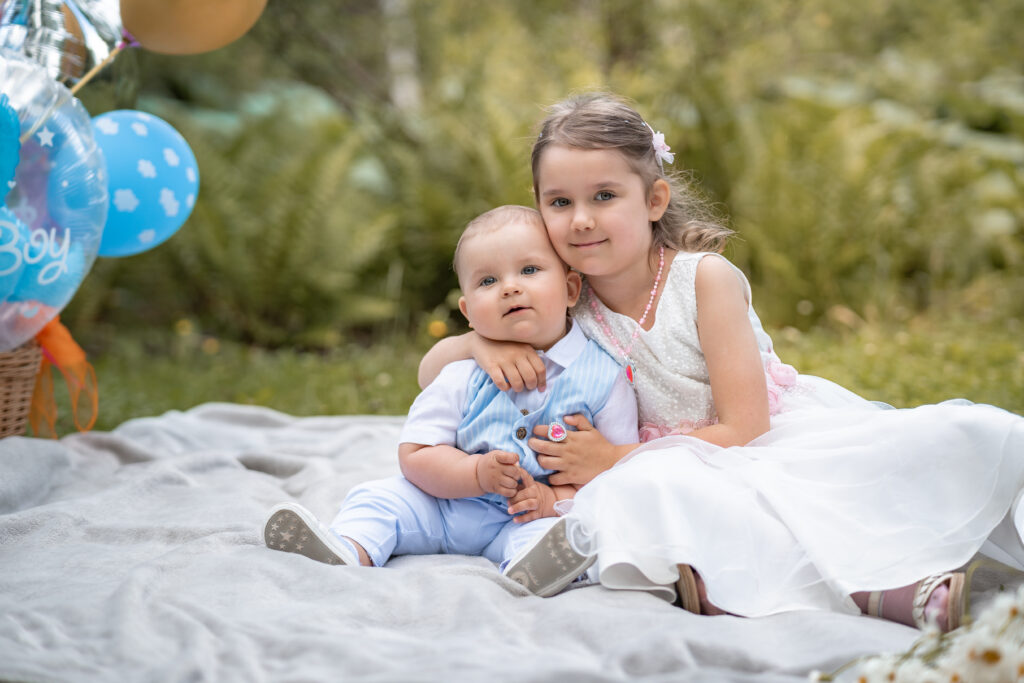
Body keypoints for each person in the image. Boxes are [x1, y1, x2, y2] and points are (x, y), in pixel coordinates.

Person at [418, 92, 1024, 632]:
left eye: (604, 196)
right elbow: (430, 374)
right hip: (660, 470)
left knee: (969, 439)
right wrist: (482, 343)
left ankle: (865, 579)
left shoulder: (703, 281)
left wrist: (611, 458)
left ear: (654, 199)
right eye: (559, 201)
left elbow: (746, 428)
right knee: (662, 494)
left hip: (756, 442)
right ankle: (880, 596)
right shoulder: (564, 298)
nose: (580, 219)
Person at [264, 205, 638, 591]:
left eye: (529, 270)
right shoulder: (462, 373)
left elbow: (616, 475)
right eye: (488, 281)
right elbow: (416, 455)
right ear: (468, 312)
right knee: (378, 498)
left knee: (562, 531)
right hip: (442, 507)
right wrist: (475, 474)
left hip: (526, 517)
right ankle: (347, 548)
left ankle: (534, 569)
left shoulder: (604, 379)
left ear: (571, 289)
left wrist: (550, 499)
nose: (509, 287)